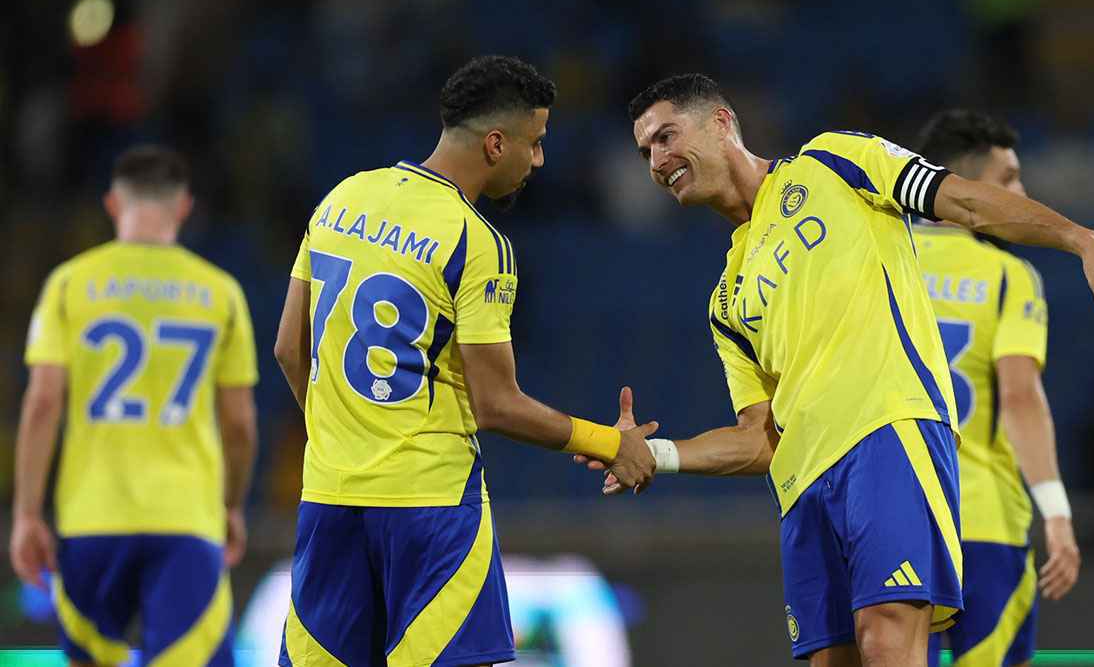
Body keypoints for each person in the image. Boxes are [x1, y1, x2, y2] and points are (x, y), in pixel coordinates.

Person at [588, 74, 1094, 666]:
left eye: (666, 136)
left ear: (721, 123)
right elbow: (758, 439)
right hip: (803, 491)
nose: (657, 160)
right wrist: (660, 455)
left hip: (888, 437)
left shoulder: (834, 161)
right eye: (645, 150)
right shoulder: (726, 299)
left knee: (887, 638)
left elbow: (967, 200)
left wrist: (1079, 238)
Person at [272, 55, 657, 667]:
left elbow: (288, 349)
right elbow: (496, 404)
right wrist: (608, 442)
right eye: (534, 144)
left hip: (329, 502)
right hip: (431, 510)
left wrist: (344, 439)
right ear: (496, 143)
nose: (538, 161)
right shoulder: (478, 242)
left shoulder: (342, 198)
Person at [10, 145, 260, 665]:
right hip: (187, 519)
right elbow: (239, 423)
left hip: (90, 518)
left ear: (112, 204)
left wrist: (27, 514)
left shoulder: (69, 284)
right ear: (184, 206)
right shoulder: (221, 293)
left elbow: (42, 405)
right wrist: (232, 504)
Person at [913, 110, 1080, 667]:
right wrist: (1056, 513)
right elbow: (1019, 400)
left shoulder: (878, 263)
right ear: (969, 190)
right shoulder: (1007, 277)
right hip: (982, 520)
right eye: (1008, 180)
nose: (1022, 192)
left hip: (894, 519)